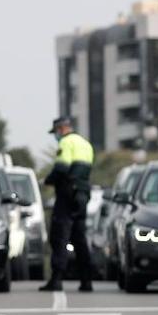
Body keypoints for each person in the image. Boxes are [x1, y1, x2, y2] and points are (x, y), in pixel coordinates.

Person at [41, 116, 95, 292]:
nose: (56, 136)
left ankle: (56, 280)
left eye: (56, 132)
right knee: (80, 238)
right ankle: (86, 281)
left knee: (60, 237)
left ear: (61, 129)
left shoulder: (66, 143)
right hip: (82, 194)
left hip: (67, 194)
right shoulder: (85, 144)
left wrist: (48, 180)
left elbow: (62, 168)